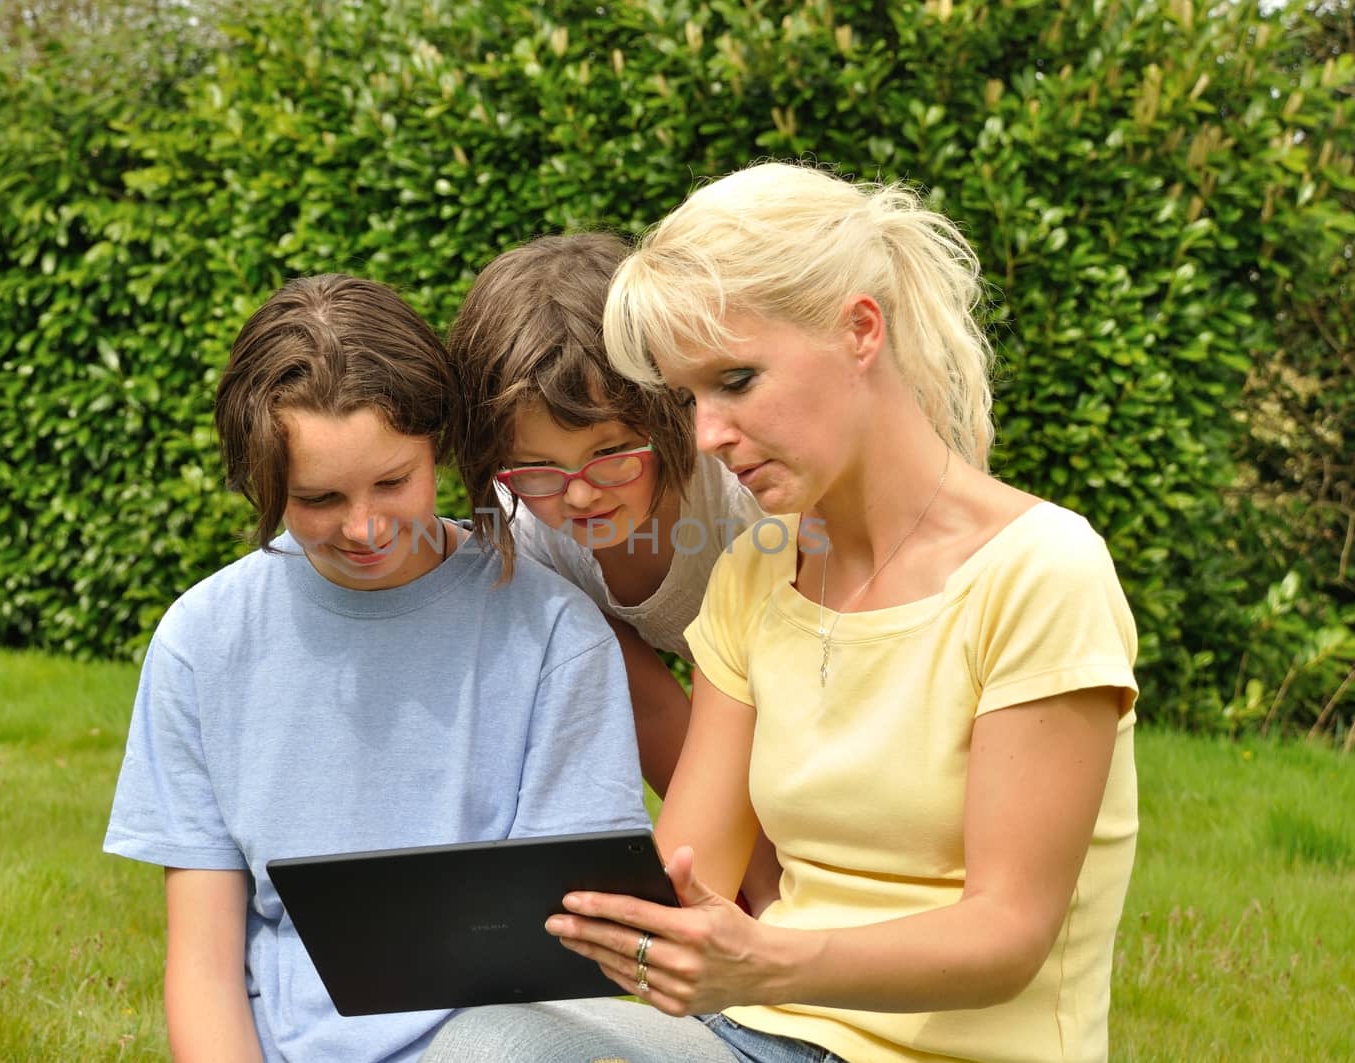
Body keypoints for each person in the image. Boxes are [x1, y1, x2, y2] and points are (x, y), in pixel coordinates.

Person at [424, 162, 1139, 1063]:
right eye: (689, 398)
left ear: (860, 330)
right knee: (487, 1042)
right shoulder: (759, 575)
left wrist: (769, 964)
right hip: (764, 1033)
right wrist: (471, 929)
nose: (709, 434)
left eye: (736, 379)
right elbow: (690, 884)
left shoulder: (1040, 571)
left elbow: (1009, 935)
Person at [103, 274, 650, 1063]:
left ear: (443, 443)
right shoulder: (203, 641)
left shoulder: (555, 634)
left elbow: (563, 960)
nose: (364, 528)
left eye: (394, 481)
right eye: (319, 497)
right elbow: (204, 963)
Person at [448, 233, 780, 909]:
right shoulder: (527, 521)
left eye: (611, 451)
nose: (577, 494)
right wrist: (737, 895)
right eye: (538, 465)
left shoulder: (739, 492)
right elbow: (655, 707)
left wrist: (783, 892)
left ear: (669, 410)